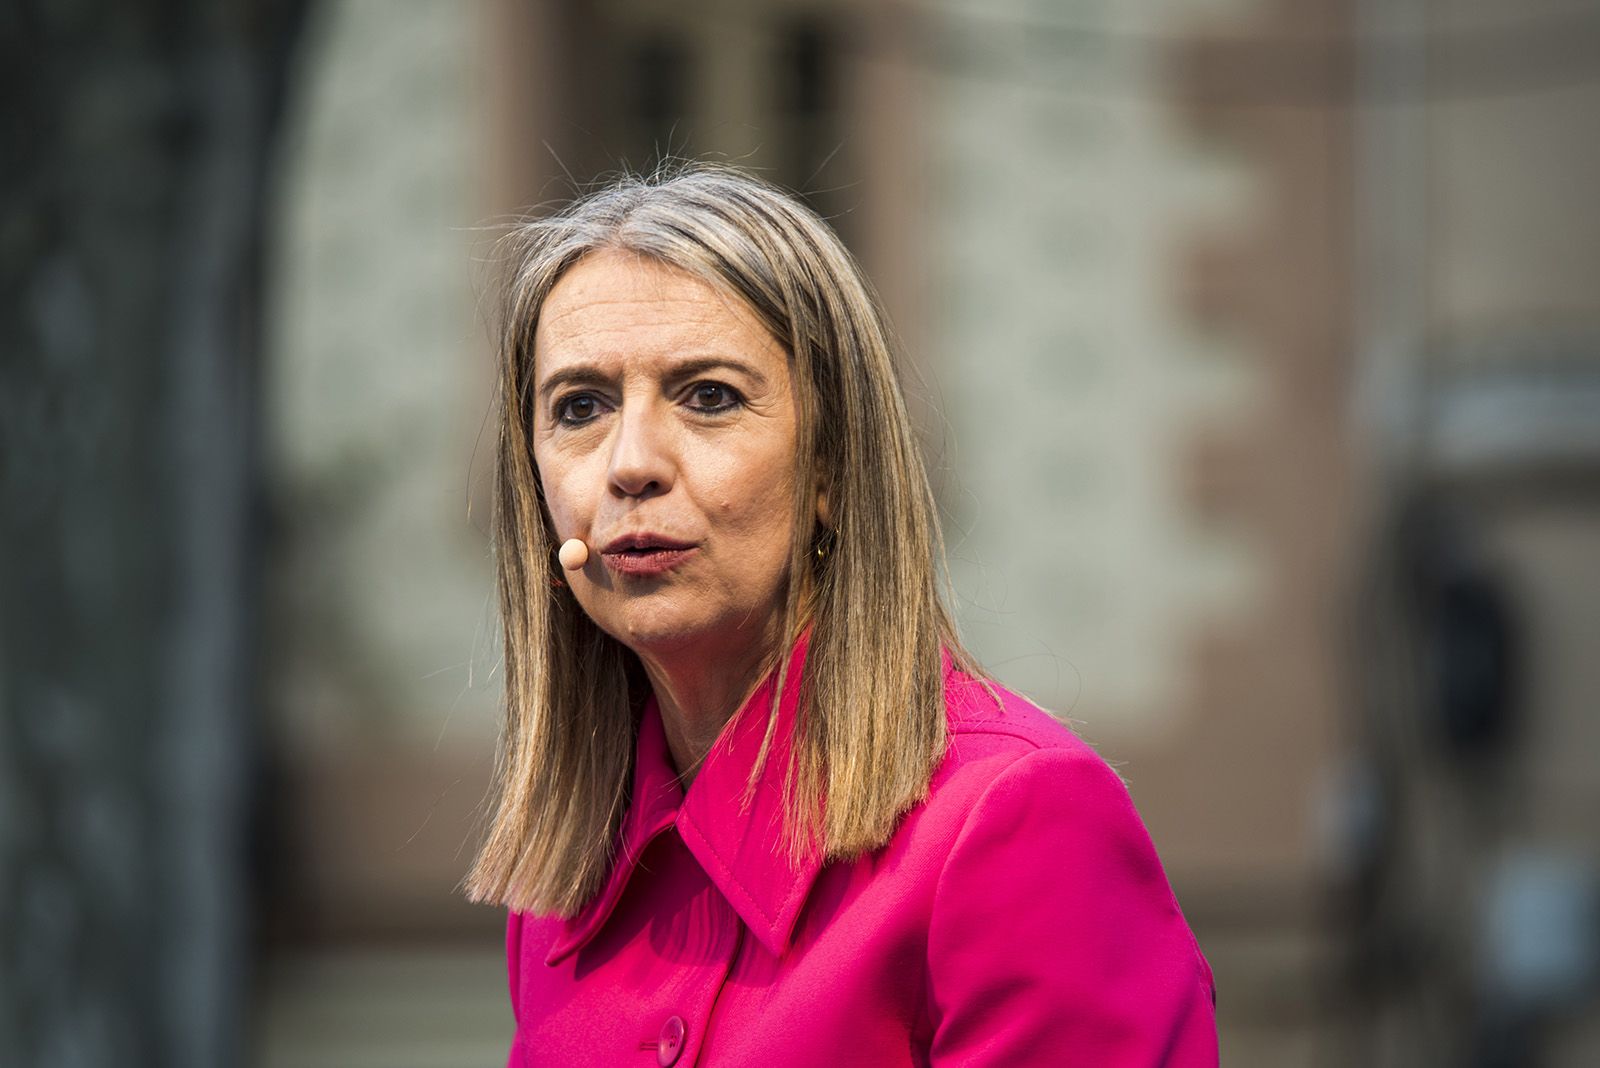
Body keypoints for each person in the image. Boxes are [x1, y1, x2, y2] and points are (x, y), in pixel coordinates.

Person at [465, 164, 1217, 1066]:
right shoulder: (564, 883)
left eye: (708, 396)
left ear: (830, 467)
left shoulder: (1012, 821)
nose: (631, 463)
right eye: (579, 407)